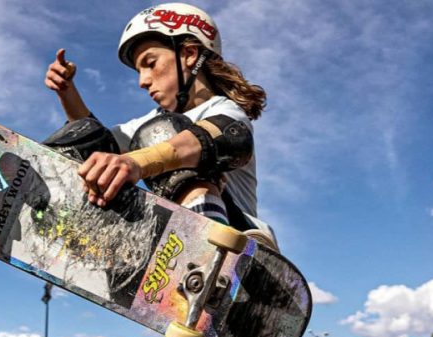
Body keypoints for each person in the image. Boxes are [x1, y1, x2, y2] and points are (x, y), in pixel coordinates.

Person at [43, 3, 275, 250]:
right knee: (87, 140)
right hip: (172, 244)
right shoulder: (152, 120)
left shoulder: (224, 109)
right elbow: (98, 142)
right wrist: (67, 93)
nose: (142, 81)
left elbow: (229, 138)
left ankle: (205, 255)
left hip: (239, 242)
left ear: (189, 54)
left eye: (150, 63)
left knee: (163, 135)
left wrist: (136, 162)